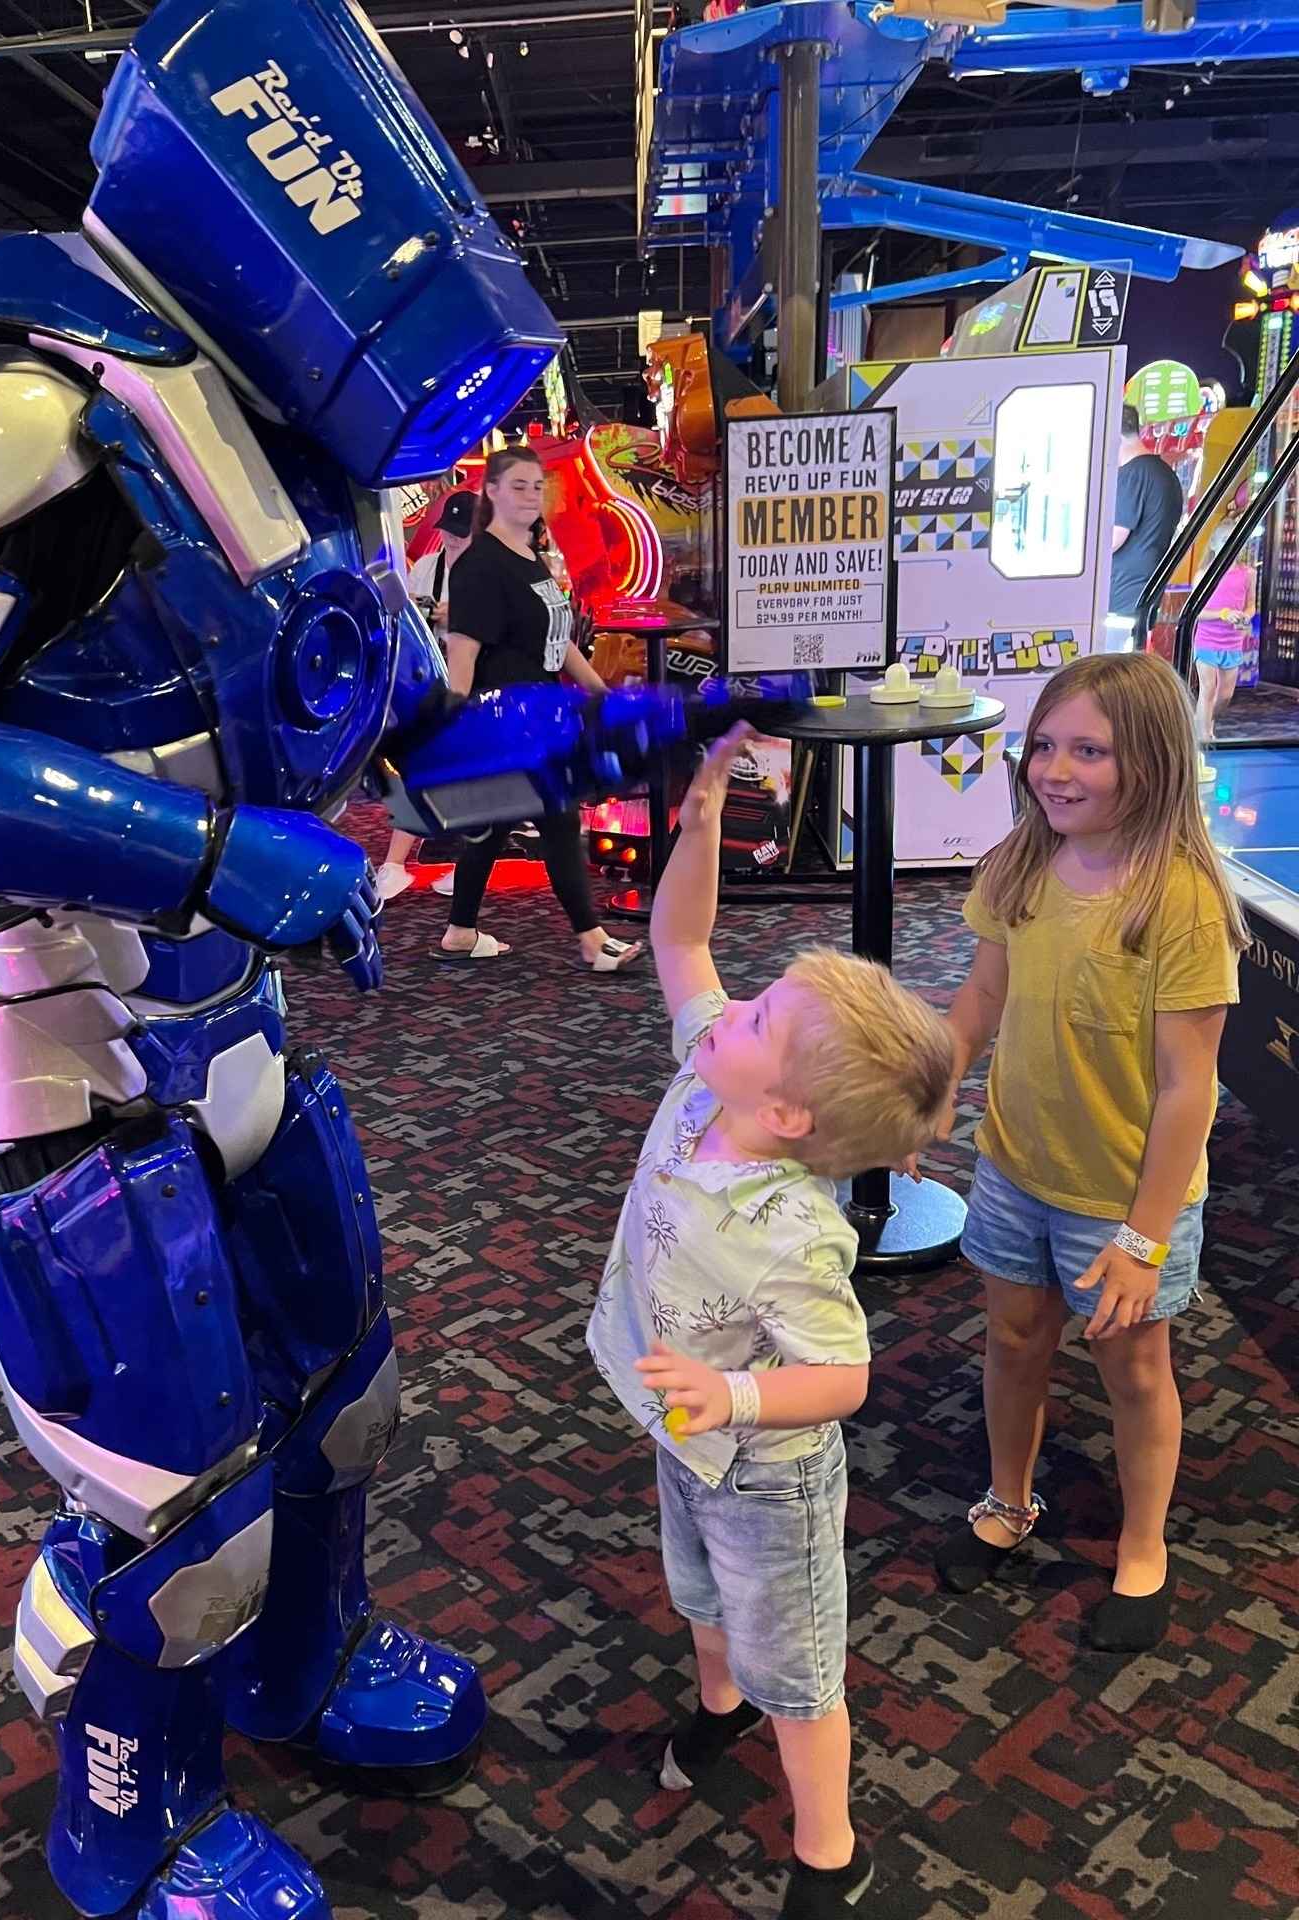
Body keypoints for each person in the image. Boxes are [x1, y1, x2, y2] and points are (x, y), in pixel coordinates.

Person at [588, 725, 954, 1918]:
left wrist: (734, 1397)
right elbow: (684, 938)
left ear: (790, 1115)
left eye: (755, 1019)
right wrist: (696, 830)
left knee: (797, 1662)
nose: (729, 1008)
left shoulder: (795, 1233)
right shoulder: (712, 1073)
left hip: (765, 1467)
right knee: (698, 1599)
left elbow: (844, 1377)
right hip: (683, 1425)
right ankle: (714, 1704)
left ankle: (829, 1852)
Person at [935, 653, 1247, 1655]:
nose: (1055, 770)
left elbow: (1187, 1088)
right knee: (1016, 1340)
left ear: (1149, 763)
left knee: (1133, 1367)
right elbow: (981, 999)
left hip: (1122, 1200)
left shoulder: (1181, 901)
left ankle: (1143, 1544)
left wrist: (1143, 1239)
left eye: (1089, 751)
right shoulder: (1020, 864)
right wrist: (933, 1087)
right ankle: (1009, 1500)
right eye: (1044, 746)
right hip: (1015, 1169)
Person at [436, 445, 642, 971]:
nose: (531, 495)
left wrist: (600, 691)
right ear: (493, 492)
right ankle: (592, 940)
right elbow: (463, 653)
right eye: (519, 485)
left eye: (537, 486)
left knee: (494, 826)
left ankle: (460, 931)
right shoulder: (481, 565)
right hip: (507, 718)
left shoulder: (531, 557)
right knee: (558, 818)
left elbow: (560, 639)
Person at [375, 490, 477, 901]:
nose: (451, 540)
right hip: (434, 680)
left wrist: (462, 614)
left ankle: (457, 866)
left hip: (475, 681)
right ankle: (401, 865)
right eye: (447, 532)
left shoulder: (491, 571)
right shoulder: (429, 568)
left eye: (460, 533)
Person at [1104, 403, 1184, 648]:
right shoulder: (1163, 472)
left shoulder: (1132, 473)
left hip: (1122, 593)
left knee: (1111, 672)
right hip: (1144, 590)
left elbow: (1114, 538)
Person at [1190, 517, 1254, 778]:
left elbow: (1251, 604)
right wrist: (1223, 613)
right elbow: (1196, 612)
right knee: (1208, 688)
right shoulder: (1203, 574)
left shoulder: (1248, 573)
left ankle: (1206, 722)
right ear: (1215, 545)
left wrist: (1245, 616)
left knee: (1225, 695)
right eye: (1224, 541)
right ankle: (1202, 737)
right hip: (1207, 639)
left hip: (1232, 642)